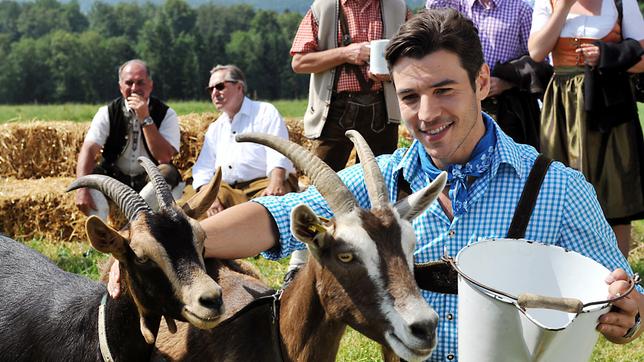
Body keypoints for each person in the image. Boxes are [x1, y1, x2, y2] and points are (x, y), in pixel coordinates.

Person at [110, 10, 642, 359]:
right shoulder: (386, 180)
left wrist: (629, 311)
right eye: (410, 97)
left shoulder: (559, 190)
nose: (427, 114)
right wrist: (167, 244)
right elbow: (277, 216)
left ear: (482, 83)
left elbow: (624, 296)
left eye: (445, 90)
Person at [528, 0, 644, 257]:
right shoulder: (547, 2)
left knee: (615, 193)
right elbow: (536, 51)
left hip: (610, 104)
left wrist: (607, 55)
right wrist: (563, 7)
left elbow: (642, 58)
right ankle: (571, 273)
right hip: (564, 106)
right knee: (562, 189)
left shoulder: (621, 2)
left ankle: (619, 278)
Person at [290, 0, 410, 172]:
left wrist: (394, 71)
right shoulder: (324, 7)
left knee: (381, 184)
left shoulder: (398, 7)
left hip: (383, 110)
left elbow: (418, 55)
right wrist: (345, 54)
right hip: (334, 110)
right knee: (324, 184)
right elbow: (299, 62)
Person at [426, 0, 552, 149]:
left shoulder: (520, 9)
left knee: (505, 160)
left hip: (505, 109)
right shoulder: (452, 4)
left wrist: (506, 82)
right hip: (459, 103)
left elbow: (539, 63)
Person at [75, 59, 181, 219]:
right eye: (129, 83)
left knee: (167, 172)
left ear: (150, 85)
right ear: (120, 87)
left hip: (148, 180)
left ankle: (138, 223)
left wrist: (145, 117)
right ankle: (100, 235)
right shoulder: (107, 112)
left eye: (140, 83)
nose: (134, 89)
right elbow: (89, 149)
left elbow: (164, 157)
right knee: (89, 178)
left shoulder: (167, 114)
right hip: (115, 179)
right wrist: (81, 189)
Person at [191, 65, 297, 217]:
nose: (215, 93)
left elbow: (278, 152)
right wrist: (207, 198)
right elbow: (203, 169)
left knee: (268, 211)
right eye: (210, 89)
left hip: (263, 184)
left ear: (239, 87)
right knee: (188, 214)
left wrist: (276, 183)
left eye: (220, 87)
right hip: (227, 190)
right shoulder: (215, 128)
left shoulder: (265, 112)